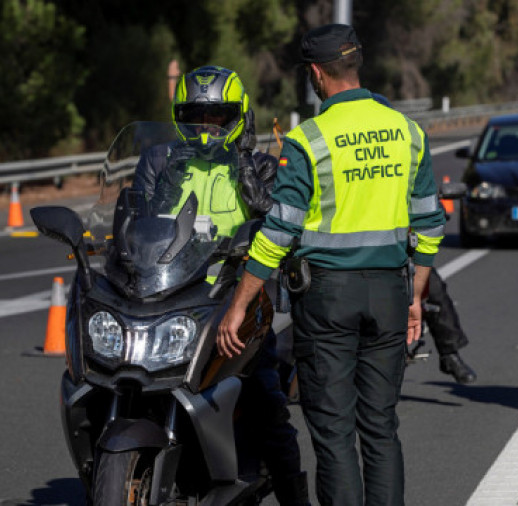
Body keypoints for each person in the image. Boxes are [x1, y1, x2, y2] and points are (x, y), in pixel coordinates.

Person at [216, 24, 445, 505]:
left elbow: (277, 234)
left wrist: (239, 305)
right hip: (389, 291)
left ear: (317, 74)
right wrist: (417, 296)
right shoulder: (408, 132)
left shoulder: (307, 140)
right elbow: (429, 224)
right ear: (355, 64)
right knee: (380, 427)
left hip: (327, 301)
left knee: (335, 432)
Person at [133, 65, 309, 505]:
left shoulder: (264, 166)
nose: (206, 126)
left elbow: (281, 227)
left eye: (217, 117)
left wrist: (252, 180)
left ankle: (294, 498)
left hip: (236, 296)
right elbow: (134, 227)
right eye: (196, 116)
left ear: (238, 117)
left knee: (266, 398)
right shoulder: (158, 160)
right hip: (168, 292)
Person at [371, 93, 477, 384]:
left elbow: (426, 198)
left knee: (436, 291)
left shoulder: (403, 159)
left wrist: (433, 211)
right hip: (360, 254)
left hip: (403, 250)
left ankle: (450, 354)